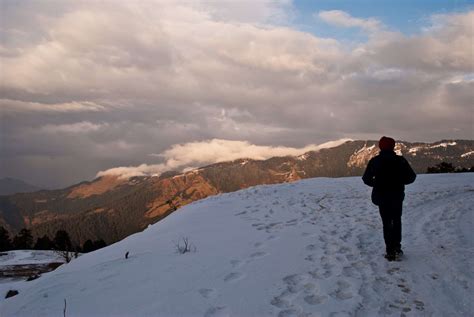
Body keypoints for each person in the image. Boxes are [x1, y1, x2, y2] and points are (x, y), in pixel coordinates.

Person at [362, 136, 416, 261]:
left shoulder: (375, 161)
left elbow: (366, 179)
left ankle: (390, 251)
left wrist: (376, 184)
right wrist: (400, 182)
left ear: (381, 146)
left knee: (387, 223)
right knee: (397, 220)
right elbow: (412, 177)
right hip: (397, 196)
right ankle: (397, 247)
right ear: (393, 146)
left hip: (382, 196)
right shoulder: (400, 161)